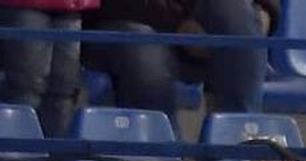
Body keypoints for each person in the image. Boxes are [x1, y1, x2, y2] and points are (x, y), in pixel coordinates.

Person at [83, 0, 274, 117]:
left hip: (201, 22)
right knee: (146, 59)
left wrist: (265, 9)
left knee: (235, 16)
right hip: (125, 20)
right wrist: (177, 26)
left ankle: (237, 149)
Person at [0, 0, 96, 138]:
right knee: (27, 87)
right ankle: (22, 153)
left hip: (71, 6)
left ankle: (58, 155)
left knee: (64, 88)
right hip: (23, 6)